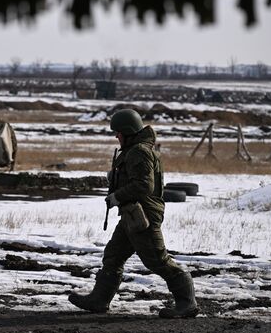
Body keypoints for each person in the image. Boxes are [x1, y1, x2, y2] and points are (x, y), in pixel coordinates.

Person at [68, 109, 199, 318]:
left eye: (118, 132)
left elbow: (143, 186)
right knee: (113, 255)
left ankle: (186, 303)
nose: (116, 136)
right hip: (132, 214)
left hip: (143, 216)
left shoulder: (139, 151)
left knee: (157, 260)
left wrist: (117, 196)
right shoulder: (135, 150)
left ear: (128, 132)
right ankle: (99, 300)